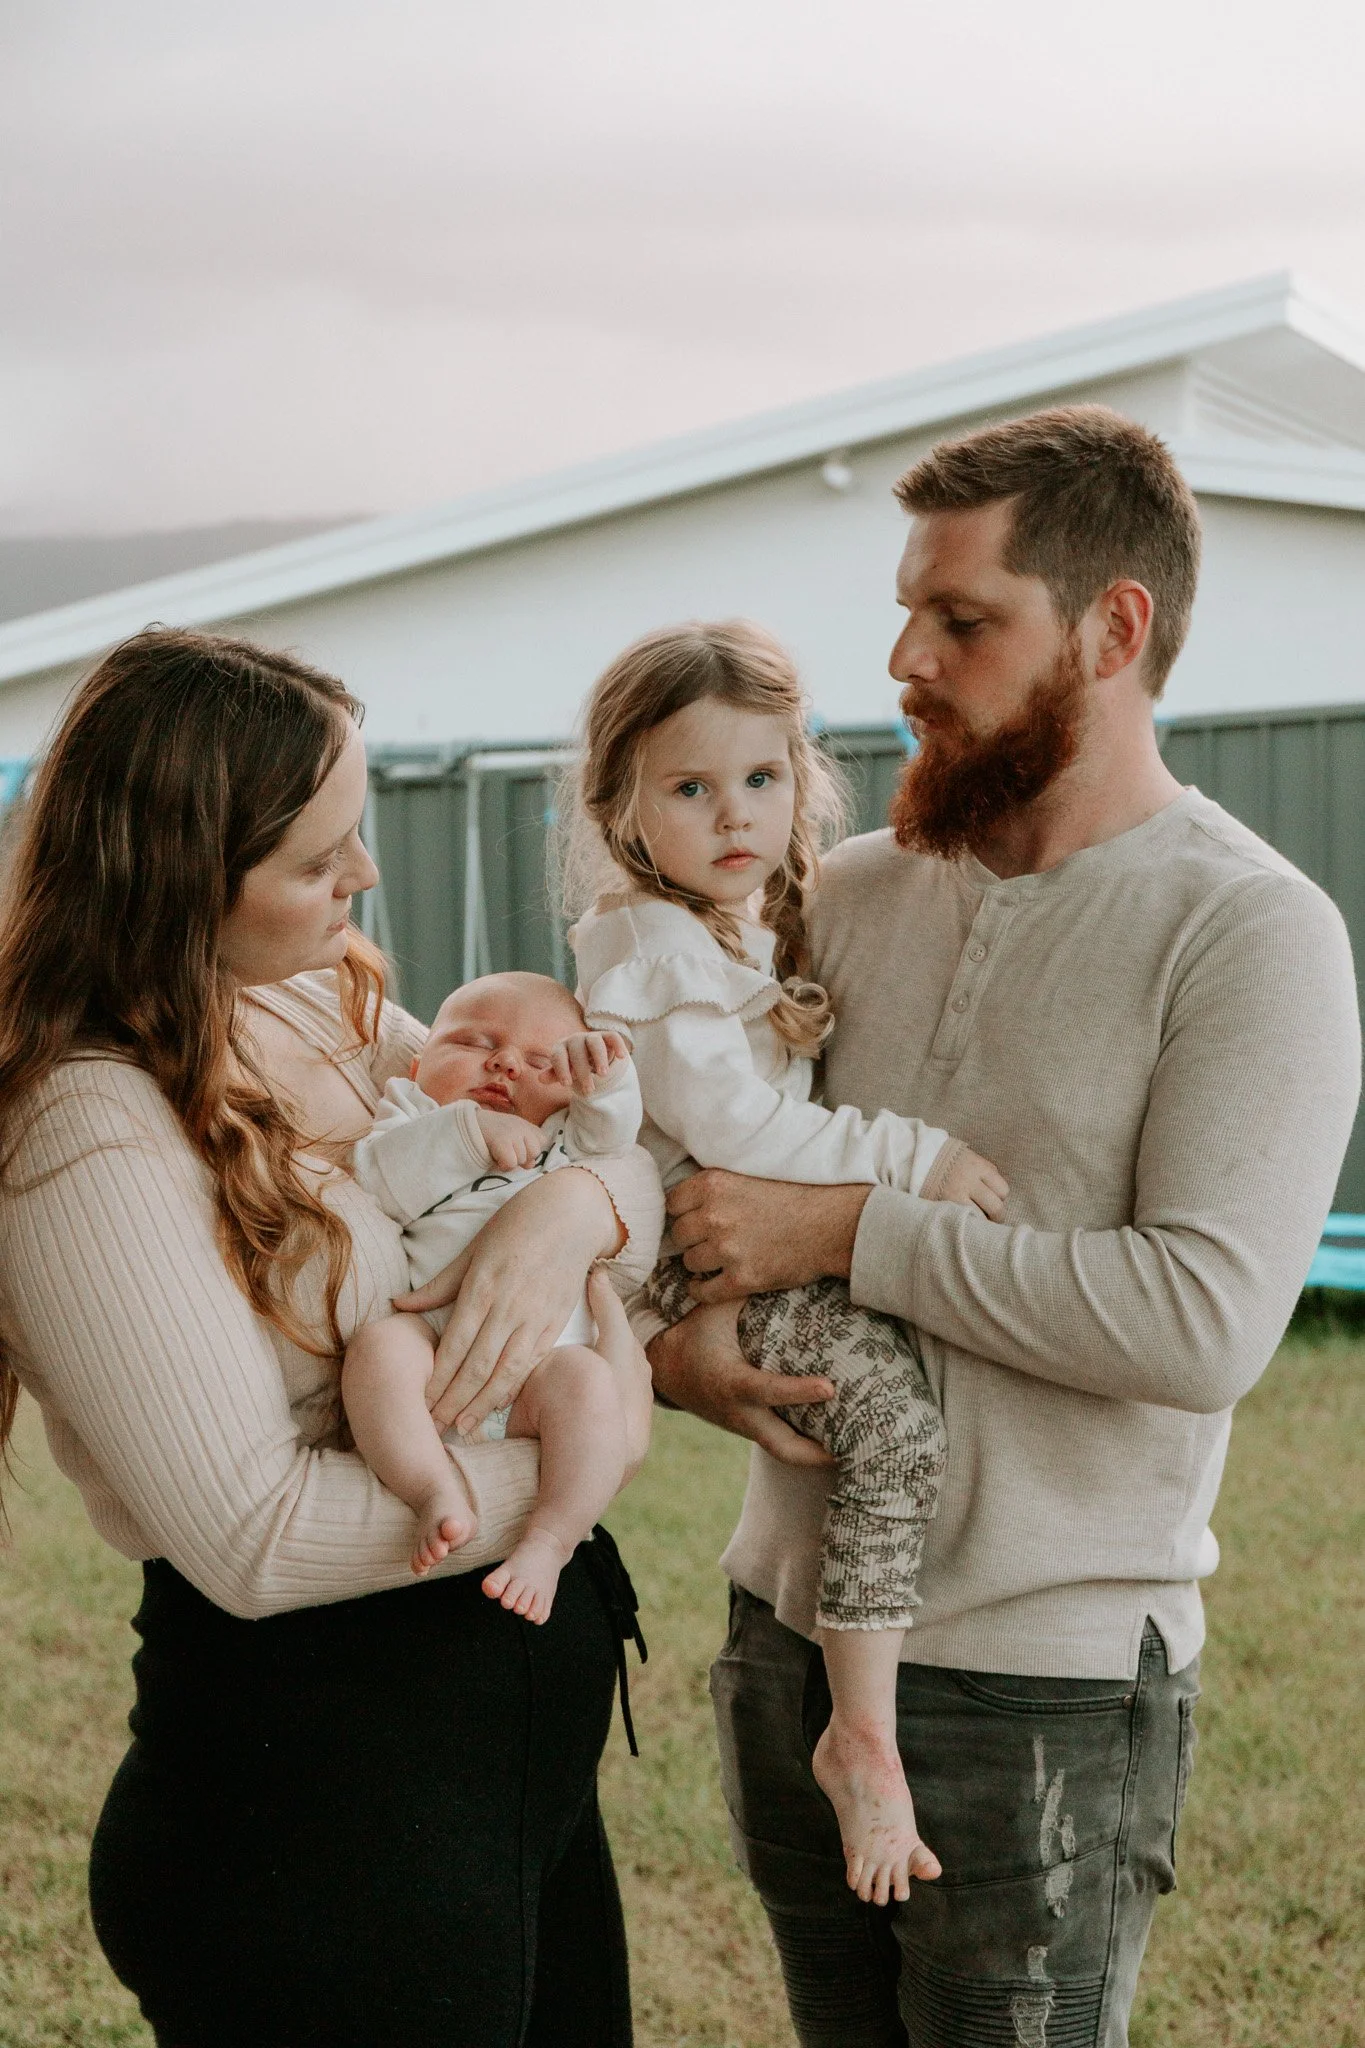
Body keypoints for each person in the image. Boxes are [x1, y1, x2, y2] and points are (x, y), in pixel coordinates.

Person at [647, 407, 1361, 2046]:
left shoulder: (1253, 932)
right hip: (789, 1648)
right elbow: (691, 1181)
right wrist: (682, 1350)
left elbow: (1200, 1321)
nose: (903, 656)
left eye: (962, 619)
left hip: (1048, 1692)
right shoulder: (843, 894)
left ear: (1113, 628)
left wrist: (847, 1229)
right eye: (908, 607)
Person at [0, 628, 662, 2048]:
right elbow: (253, 1536)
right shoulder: (85, 1127)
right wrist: (586, 1462)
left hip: (502, 1799)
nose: (363, 878)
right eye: (317, 859)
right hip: (321, 1826)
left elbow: (554, 1163)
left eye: (355, 835)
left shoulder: (321, 992)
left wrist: (586, 1207)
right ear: (178, 875)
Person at [564, 619, 1009, 1903]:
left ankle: (859, 1712)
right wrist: (912, 1155)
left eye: (759, 779)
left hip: (730, 1247)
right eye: (689, 788)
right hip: (684, 1267)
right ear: (623, 809)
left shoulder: (731, 923)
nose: (732, 814)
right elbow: (744, 1130)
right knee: (895, 1420)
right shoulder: (653, 954)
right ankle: (860, 1731)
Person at [346, 971, 654, 1618]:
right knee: (380, 1348)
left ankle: (550, 1540)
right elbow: (377, 1182)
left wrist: (607, 1081)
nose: (505, 1062)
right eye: (470, 1042)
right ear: (415, 1063)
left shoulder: (571, 1134)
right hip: (434, 1342)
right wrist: (465, 1133)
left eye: (543, 1061)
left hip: (544, 1364)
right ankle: (432, 1488)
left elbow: (615, 1133)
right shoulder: (411, 1113)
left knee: (592, 1390)